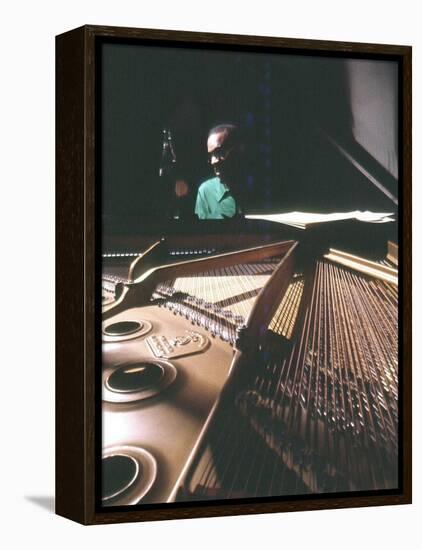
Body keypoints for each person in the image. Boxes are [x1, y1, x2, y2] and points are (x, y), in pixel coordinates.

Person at [195, 124, 244, 219]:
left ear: (239, 150)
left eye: (219, 152)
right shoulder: (206, 191)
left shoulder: (261, 187)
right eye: (210, 156)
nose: (214, 161)